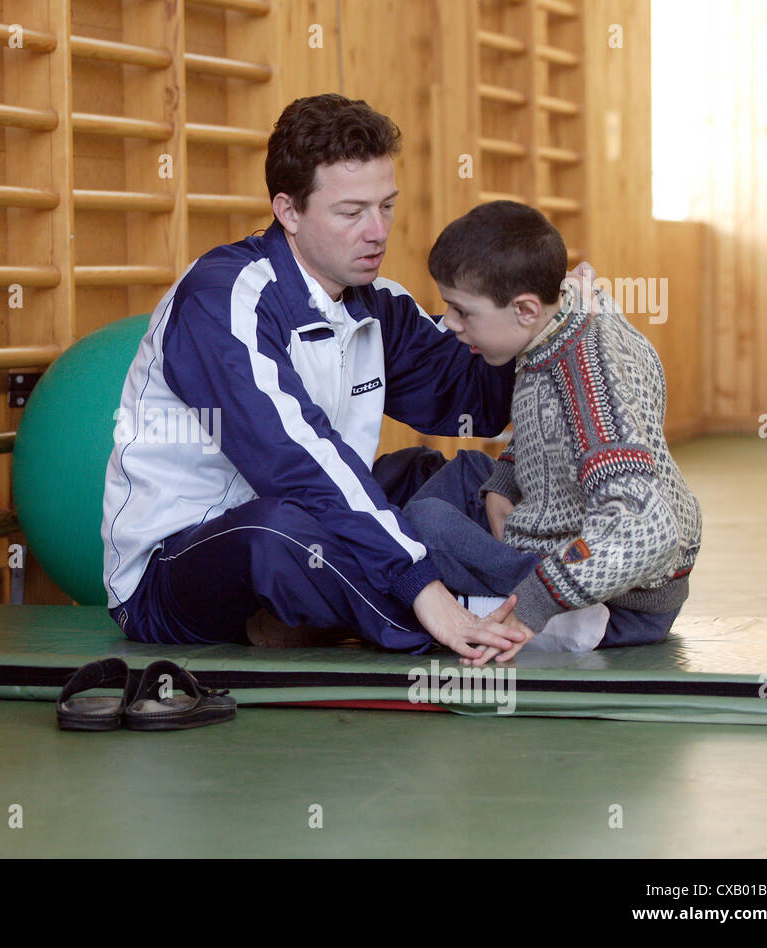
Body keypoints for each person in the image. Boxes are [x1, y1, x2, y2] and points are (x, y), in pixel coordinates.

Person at [101, 93, 553, 663]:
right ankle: (477, 617)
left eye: (386, 206)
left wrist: (547, 318)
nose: (377, 232)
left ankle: (542, 591)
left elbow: (478, 402)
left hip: (317, 520)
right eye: (351, 212)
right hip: (175, 569)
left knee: (444, 477)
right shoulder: (222, 299)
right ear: (289, 212)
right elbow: (294, 462)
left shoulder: (379, 305)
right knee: (277, 533)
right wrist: (420, 582)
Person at [401, 200, 702, 663]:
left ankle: (558, 619)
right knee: (468, 473)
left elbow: (646, 526)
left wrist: (537, 603)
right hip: (574, 536)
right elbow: (552, 427)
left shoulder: (587, 374)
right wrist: (505, 480)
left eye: (463, 311)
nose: (450, 324)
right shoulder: (558, 319)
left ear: (523, 308)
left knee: (421, 525)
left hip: (621, 597)